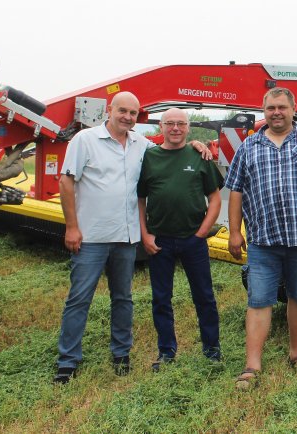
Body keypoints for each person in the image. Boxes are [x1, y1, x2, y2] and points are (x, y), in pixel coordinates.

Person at [54, 93, 209, 384]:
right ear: (109, 110)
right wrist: (71, 227)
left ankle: (121, 354)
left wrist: (193, 144)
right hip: (91, 236)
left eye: (133, 113)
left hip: (126, 237)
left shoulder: (141, 144)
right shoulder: (84, 141)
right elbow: (66, 181)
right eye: (122, 111)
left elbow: (170, 146)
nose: (127, 117)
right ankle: (68, 360)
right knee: (79, 298)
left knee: (123, 298)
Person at [225, 87, 297, 389]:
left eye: (281, 107)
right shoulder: (249, 146)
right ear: (263, 112)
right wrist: (236, 232)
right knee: (258, 300)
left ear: (293, 110)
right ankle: (252, 365)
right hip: (263, 240)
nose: (276, 113)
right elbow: (236, 192)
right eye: (270, 108)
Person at [138, 108, 223, 371]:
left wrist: (200, 234)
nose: (175, 128)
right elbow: (140, 199)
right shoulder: (149, 157)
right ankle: (166, 352)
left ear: (188, 128)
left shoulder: (200, 156)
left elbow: (216, 198)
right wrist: (145, 234)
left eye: (181, 124)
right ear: (160, 127)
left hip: (192, 240)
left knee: (205, 297)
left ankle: (211, 351)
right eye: (170, 123)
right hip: (159, 240)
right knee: (161, 298)